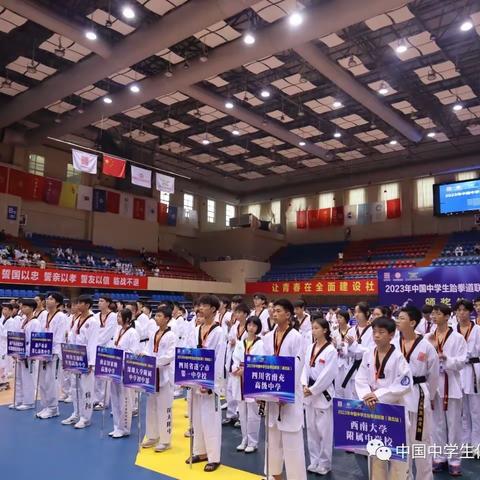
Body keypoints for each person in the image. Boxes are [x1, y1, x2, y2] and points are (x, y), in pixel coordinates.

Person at [355, 316, 412, 480]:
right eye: (374, 332)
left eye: (381, 332)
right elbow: (361, 379)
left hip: (393, 409)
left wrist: (378, 395)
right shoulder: (368, 354)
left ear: (391, 334)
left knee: (397, 456)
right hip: (373, 407)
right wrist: (367, 396)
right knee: (376, 453)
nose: (376, 335)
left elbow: (404, 384)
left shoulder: (398, 357)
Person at [263, 298, 307, 480]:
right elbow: (263, 366)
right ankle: (274, 475)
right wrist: (260, 392)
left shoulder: (297, 337)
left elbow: (298, 366)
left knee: (292, 443)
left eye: (278, 311)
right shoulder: (267, 337)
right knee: (272, 441)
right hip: (271, 394)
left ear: (288, 315)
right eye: (273, 310)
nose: (274, 313)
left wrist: (284, 393)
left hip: (288, 395)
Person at [395, 306, 439, 480]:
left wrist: (431, 396)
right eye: (397, 317)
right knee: (401, 442)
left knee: (420, 441)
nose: (398, 321)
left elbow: (434, 375)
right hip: (398, 395)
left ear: (412, 322)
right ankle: (405, 477)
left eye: (402, 318)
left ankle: (424, 477)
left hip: (419, 394)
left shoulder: (426, 346)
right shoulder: (393, 343)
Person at [185, 294, 225, 472]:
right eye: (199, 305)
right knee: (196, 418)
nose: (200, 308)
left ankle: (214, 457)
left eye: (205, 305)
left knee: (210, 419)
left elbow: (219, 360)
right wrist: (185, 377)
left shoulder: (219, 332)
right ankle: (200, 452)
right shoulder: (195, 329)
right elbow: (187, 353)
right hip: (195, 379)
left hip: (209, 383)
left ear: (214, 310)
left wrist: (210, 384)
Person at [427, 303, 467, 476]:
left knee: (453, 424)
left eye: (437, 313)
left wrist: (445, 358)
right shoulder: (429, 337)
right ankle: (440, 457)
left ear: (446, 316)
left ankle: (454, 460)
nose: (433, 316)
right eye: (432, 313)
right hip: (435, 385)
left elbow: (461, 361)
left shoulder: (457, 338)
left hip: (452, 385)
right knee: (437, 425)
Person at [301, 315, 338, 476]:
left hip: (322, 393)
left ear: (325, 330)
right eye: (312, 328)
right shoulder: (310, 348)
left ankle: (325, 463)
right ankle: (314, 460)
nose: (314, 331)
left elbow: (329, 374)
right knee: (311, 429)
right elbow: (305, 368)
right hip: (309, 391)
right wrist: (304, 384)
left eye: (317, 328)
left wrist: (314, 389)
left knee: (324, 431)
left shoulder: (331, 350)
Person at [61, 295, 100, 429]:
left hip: (87, 359)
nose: (77, 305)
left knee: (86, 389)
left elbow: (93, 342)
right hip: (75, 357)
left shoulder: (93, 322)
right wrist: (68, 355)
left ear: (88, 305)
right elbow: (72, 337)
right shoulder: (77, 319)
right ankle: (76, 413)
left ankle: (85, 417)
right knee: (75, 387)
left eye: (80, 303)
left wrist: (91, 362)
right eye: (77, 303)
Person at [141, 305, 177, 451]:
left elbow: (170, 355)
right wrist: (143, 355)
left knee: (164, 407)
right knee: (151, 406)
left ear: (167, 319)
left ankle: (165, 440)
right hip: (151, 374)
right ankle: (152, 435)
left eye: (160, 316)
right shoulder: (154, 332)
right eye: (156, 315)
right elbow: (148, 349)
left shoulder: (171, 336)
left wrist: (154, 362)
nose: (156, 318)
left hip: (164, 374)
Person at [231, 315, 264, 453]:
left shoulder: (261, 344)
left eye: (254, 325)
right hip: (239, 380)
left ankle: (253, 441)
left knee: (253, 414)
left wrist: (246, 369)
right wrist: (236, 369)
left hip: (252, 379)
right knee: (242, 413)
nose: (251, 328)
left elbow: (261, 361)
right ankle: (244, 439)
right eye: (249, 325)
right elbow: (235, 359)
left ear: (258, 328)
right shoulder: (240, 342)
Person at [454, 299, 480, 454]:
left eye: (464, 310)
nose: (461, 313)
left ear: (470, 311)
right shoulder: (452, 330)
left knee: (476, 410)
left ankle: (477, 444)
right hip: (458, 370)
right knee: (462, 411)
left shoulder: (477, 329)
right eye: (459, 310)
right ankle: (465, 443)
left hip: (474, 369)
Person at [36, 292, 67, 419]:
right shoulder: (44, 315)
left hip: (54, 352)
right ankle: (46, 405)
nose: (48, 301)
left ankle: (53, 408)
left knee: (52, 381)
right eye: (47, 299)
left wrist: (50, 350)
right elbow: (40, 332)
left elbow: (59, 337)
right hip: (43, 351)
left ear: (58, 303)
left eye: (51, 299)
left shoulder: (61, 317)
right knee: (43, 381)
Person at [110, 308, 140, 439]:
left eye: (119, 317)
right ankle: (117, 426)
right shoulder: (118, 330)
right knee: (115, 397)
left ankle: (125, 428)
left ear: (127, 319)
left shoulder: (133, 332)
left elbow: (132, 351)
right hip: (115, 367)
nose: (117, 319)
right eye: (117, 316)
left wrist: (119, 357)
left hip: (125, 368)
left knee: (125, 399)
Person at [11, 299, 41, 410]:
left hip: (28, 354)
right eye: (22, 306)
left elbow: (35, 340)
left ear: (31, 308)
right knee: (19, 378)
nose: (22, 308)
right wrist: (15, 350)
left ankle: (28, 402)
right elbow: (18, 336)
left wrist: (28, 353)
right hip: (20, 351)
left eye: (25, 307)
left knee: (28, 378)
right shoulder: (23, 320)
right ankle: (18, 400)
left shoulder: (35, 322)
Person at [224, 303, 250, 426]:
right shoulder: (235, 326)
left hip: (244, 360)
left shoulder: (250, 326)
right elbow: (229, 339)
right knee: (230, 388)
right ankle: (231, 414)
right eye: (236, 312)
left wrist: (238, 342)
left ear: (245, 314)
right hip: (232, 358)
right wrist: (232, 341)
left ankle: (241, 416)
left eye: (239, 312)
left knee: (242, 388)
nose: (237, 315)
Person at [342, 302, 373, 398]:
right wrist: (343, 348)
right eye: (355, 312)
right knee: (351, 397)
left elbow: (370, 351)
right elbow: (346, 351)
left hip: (366, 368)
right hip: (352, 367)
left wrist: (354, 345)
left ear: (367, 313)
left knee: (364, 397)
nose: (356, 315)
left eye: (359, 312)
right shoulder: (351, 330)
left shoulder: (373, 331)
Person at [93, 296, 118, 410]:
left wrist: (96, 343)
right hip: (96, 348)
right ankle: (96, 399)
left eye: (102, 301)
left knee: (105, 376)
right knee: (96, 375)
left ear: (108, 303)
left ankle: (104, 401)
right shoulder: (96, 315)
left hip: (107, 347)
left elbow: (108, 333)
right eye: (99, 300)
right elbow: (93, 331)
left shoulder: (113, 316)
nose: (99, 303)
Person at [332, 310, 353, 399]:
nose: (338, 319)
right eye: (337, 317)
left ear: (346, 319)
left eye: (340, 317)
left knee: (348, 386)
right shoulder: (335, 332)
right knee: (338, 386)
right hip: (338, 361)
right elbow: (333, 347)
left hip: (349, 361)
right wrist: (335, 346)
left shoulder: (352, 330)